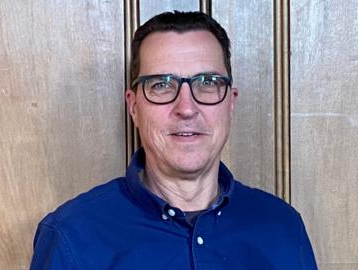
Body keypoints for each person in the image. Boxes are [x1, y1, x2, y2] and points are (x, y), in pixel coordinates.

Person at [30, 11, 317, 269]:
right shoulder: (72, 237)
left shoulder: (283, 228)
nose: (186, 108)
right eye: (161, 85)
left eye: (207, 83)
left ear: (231, 102)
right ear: (134, 107)